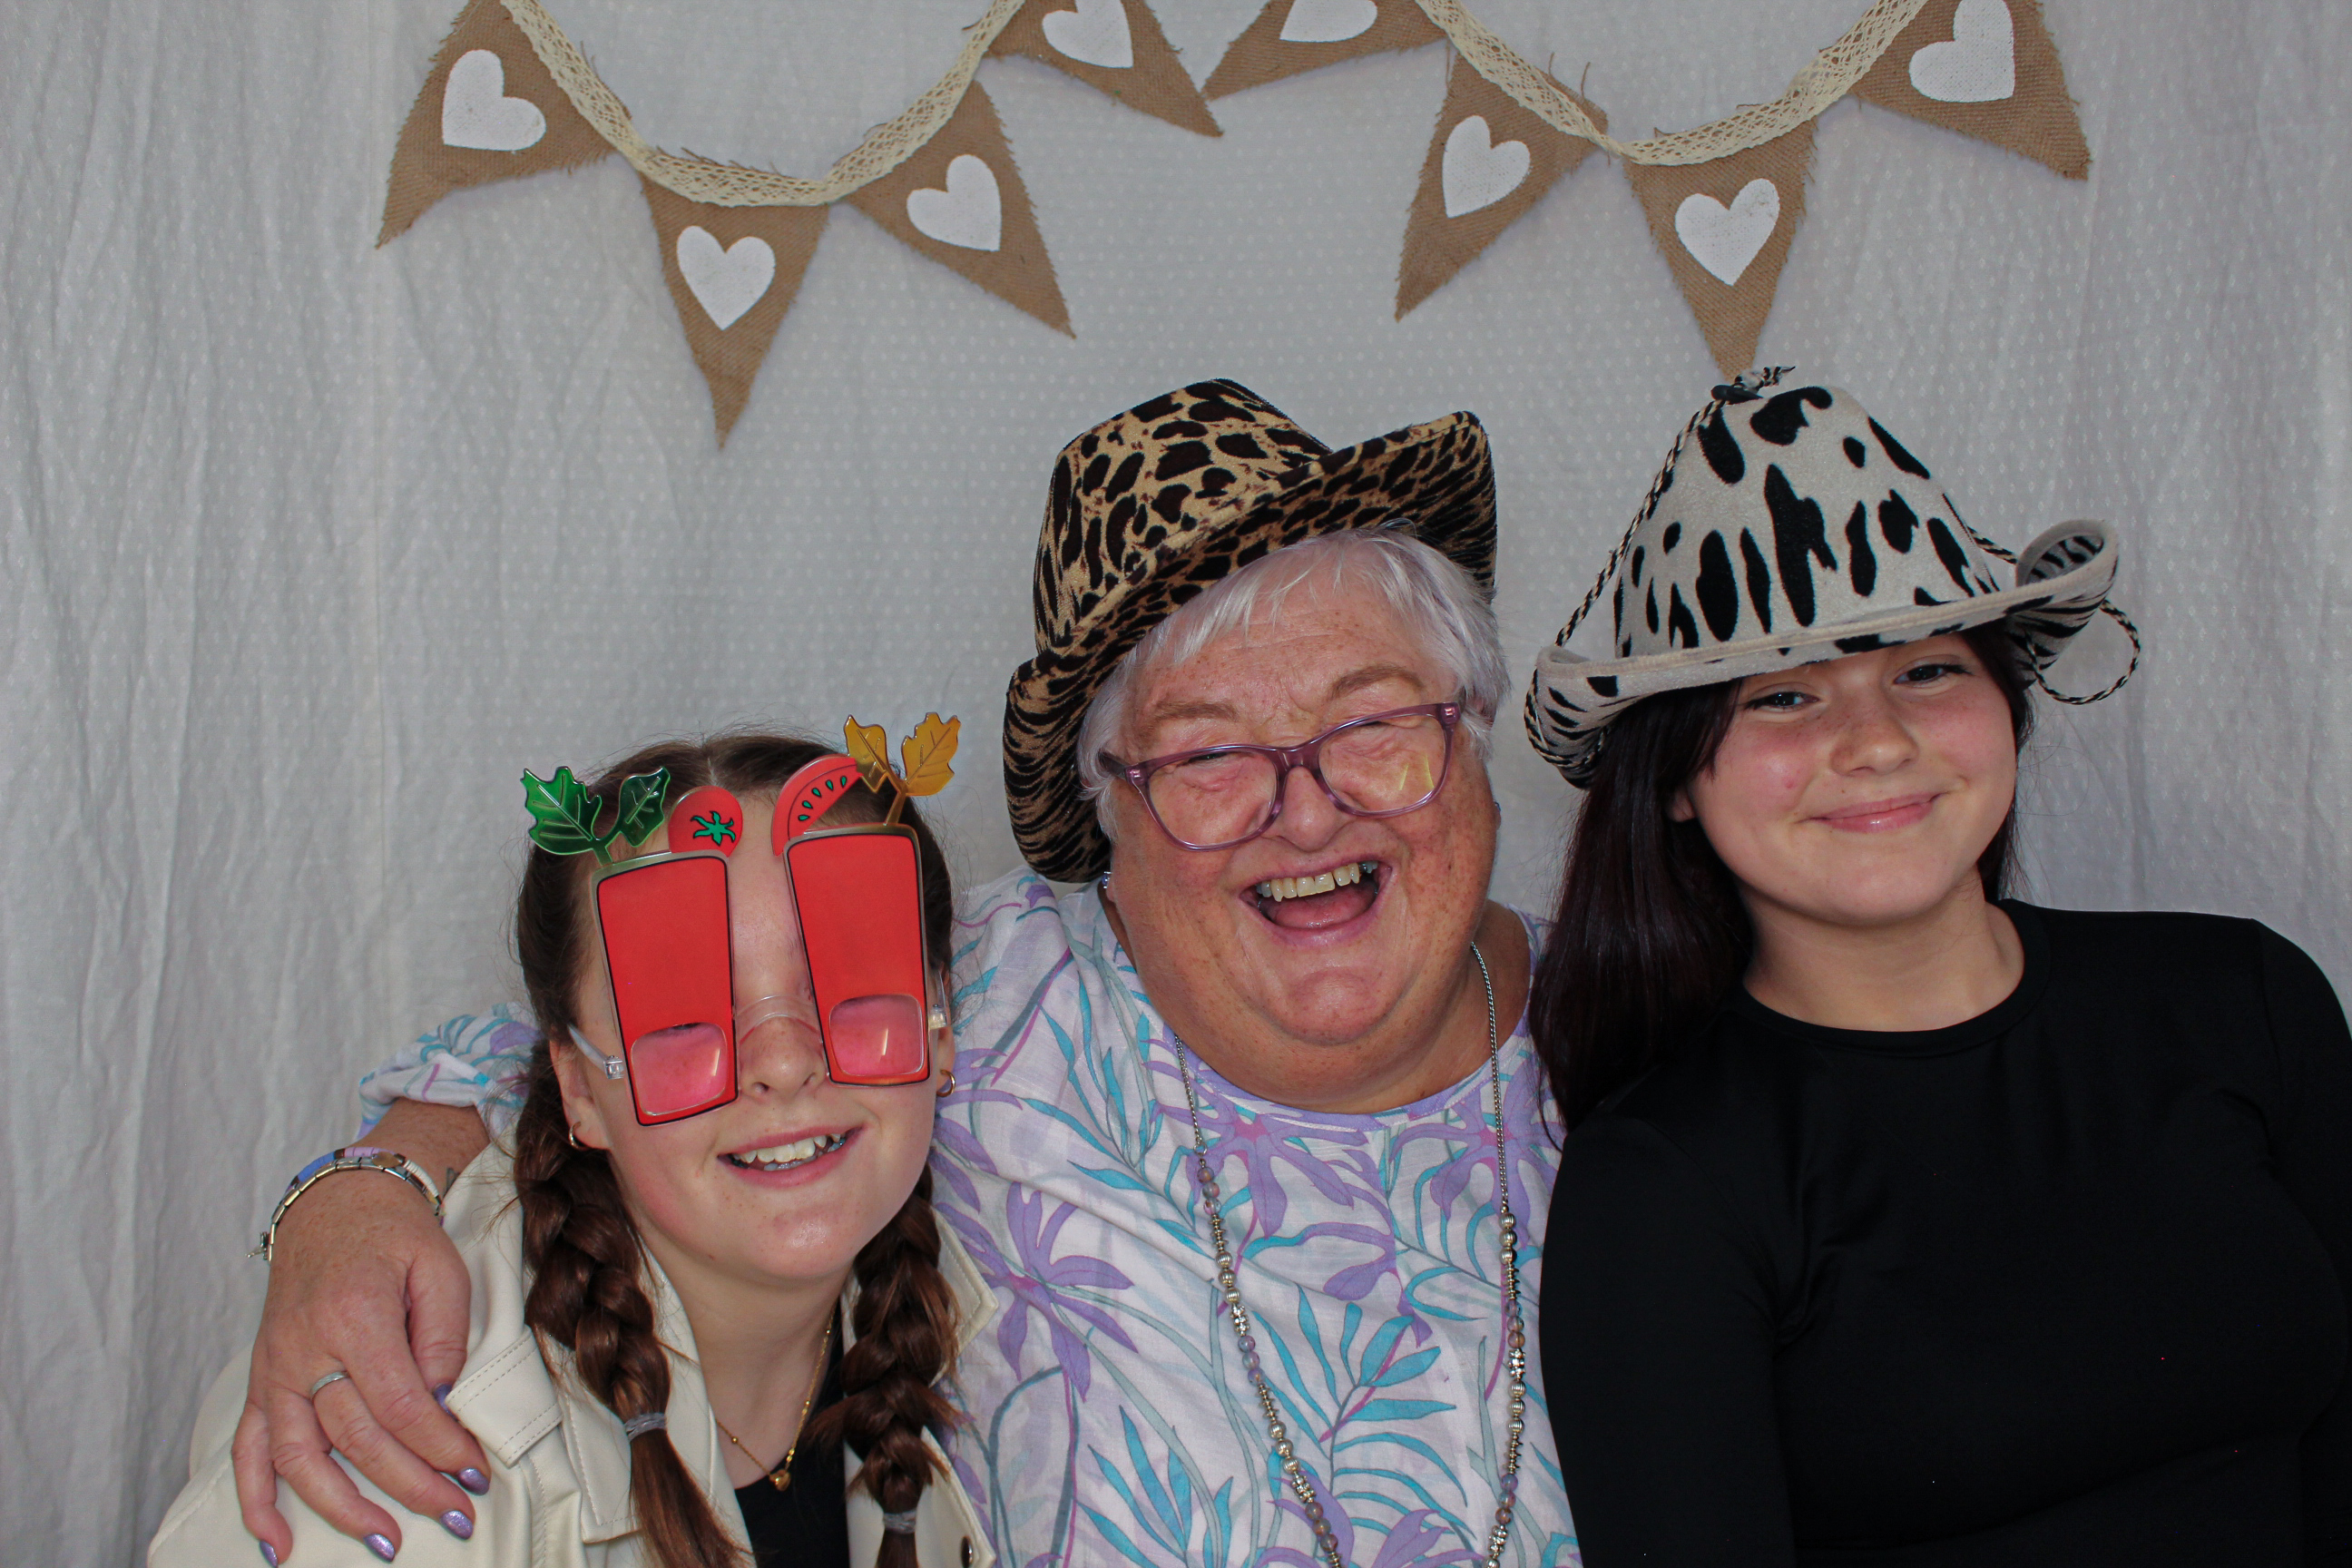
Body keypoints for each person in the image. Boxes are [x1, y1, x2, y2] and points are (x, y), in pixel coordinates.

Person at [225, 383, 1577, 1567]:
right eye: (1208, 757)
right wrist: (361, 1198)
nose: (1306, 810)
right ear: (1109, 815)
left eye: (1375, 723)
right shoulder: (991, 989)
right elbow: (605, 1041)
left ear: (1471, 733)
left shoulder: (1642, 1033)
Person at [1523, 371, 2352, 1563]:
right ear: (1675, 787)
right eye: (1786, 695)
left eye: (1926, 669)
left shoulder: (2246, 1001)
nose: (1873, 742)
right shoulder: (1667, 1181)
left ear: (2008, 709)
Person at [152, 734, 995, 1567]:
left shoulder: (1008, 1272)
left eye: (849, 975)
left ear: (943, 1019)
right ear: (579, 1089)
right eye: (679, 1010)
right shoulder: (414, 1464)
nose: (780, 1059)